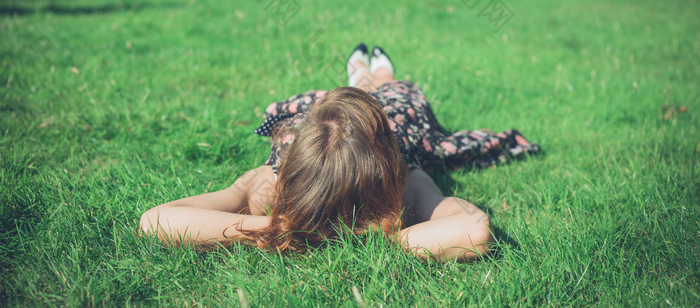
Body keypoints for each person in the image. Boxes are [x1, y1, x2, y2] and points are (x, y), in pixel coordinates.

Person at [139, 44, 541, 261]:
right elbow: (473, 228)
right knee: (387, 95)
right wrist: (381, 237)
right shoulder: (406, 186)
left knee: (385, 93)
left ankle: (370, 76)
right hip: (379, 122)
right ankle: (372, 76)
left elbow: (157, 220)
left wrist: (274, 231)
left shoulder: (267, 187)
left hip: (384, 121)